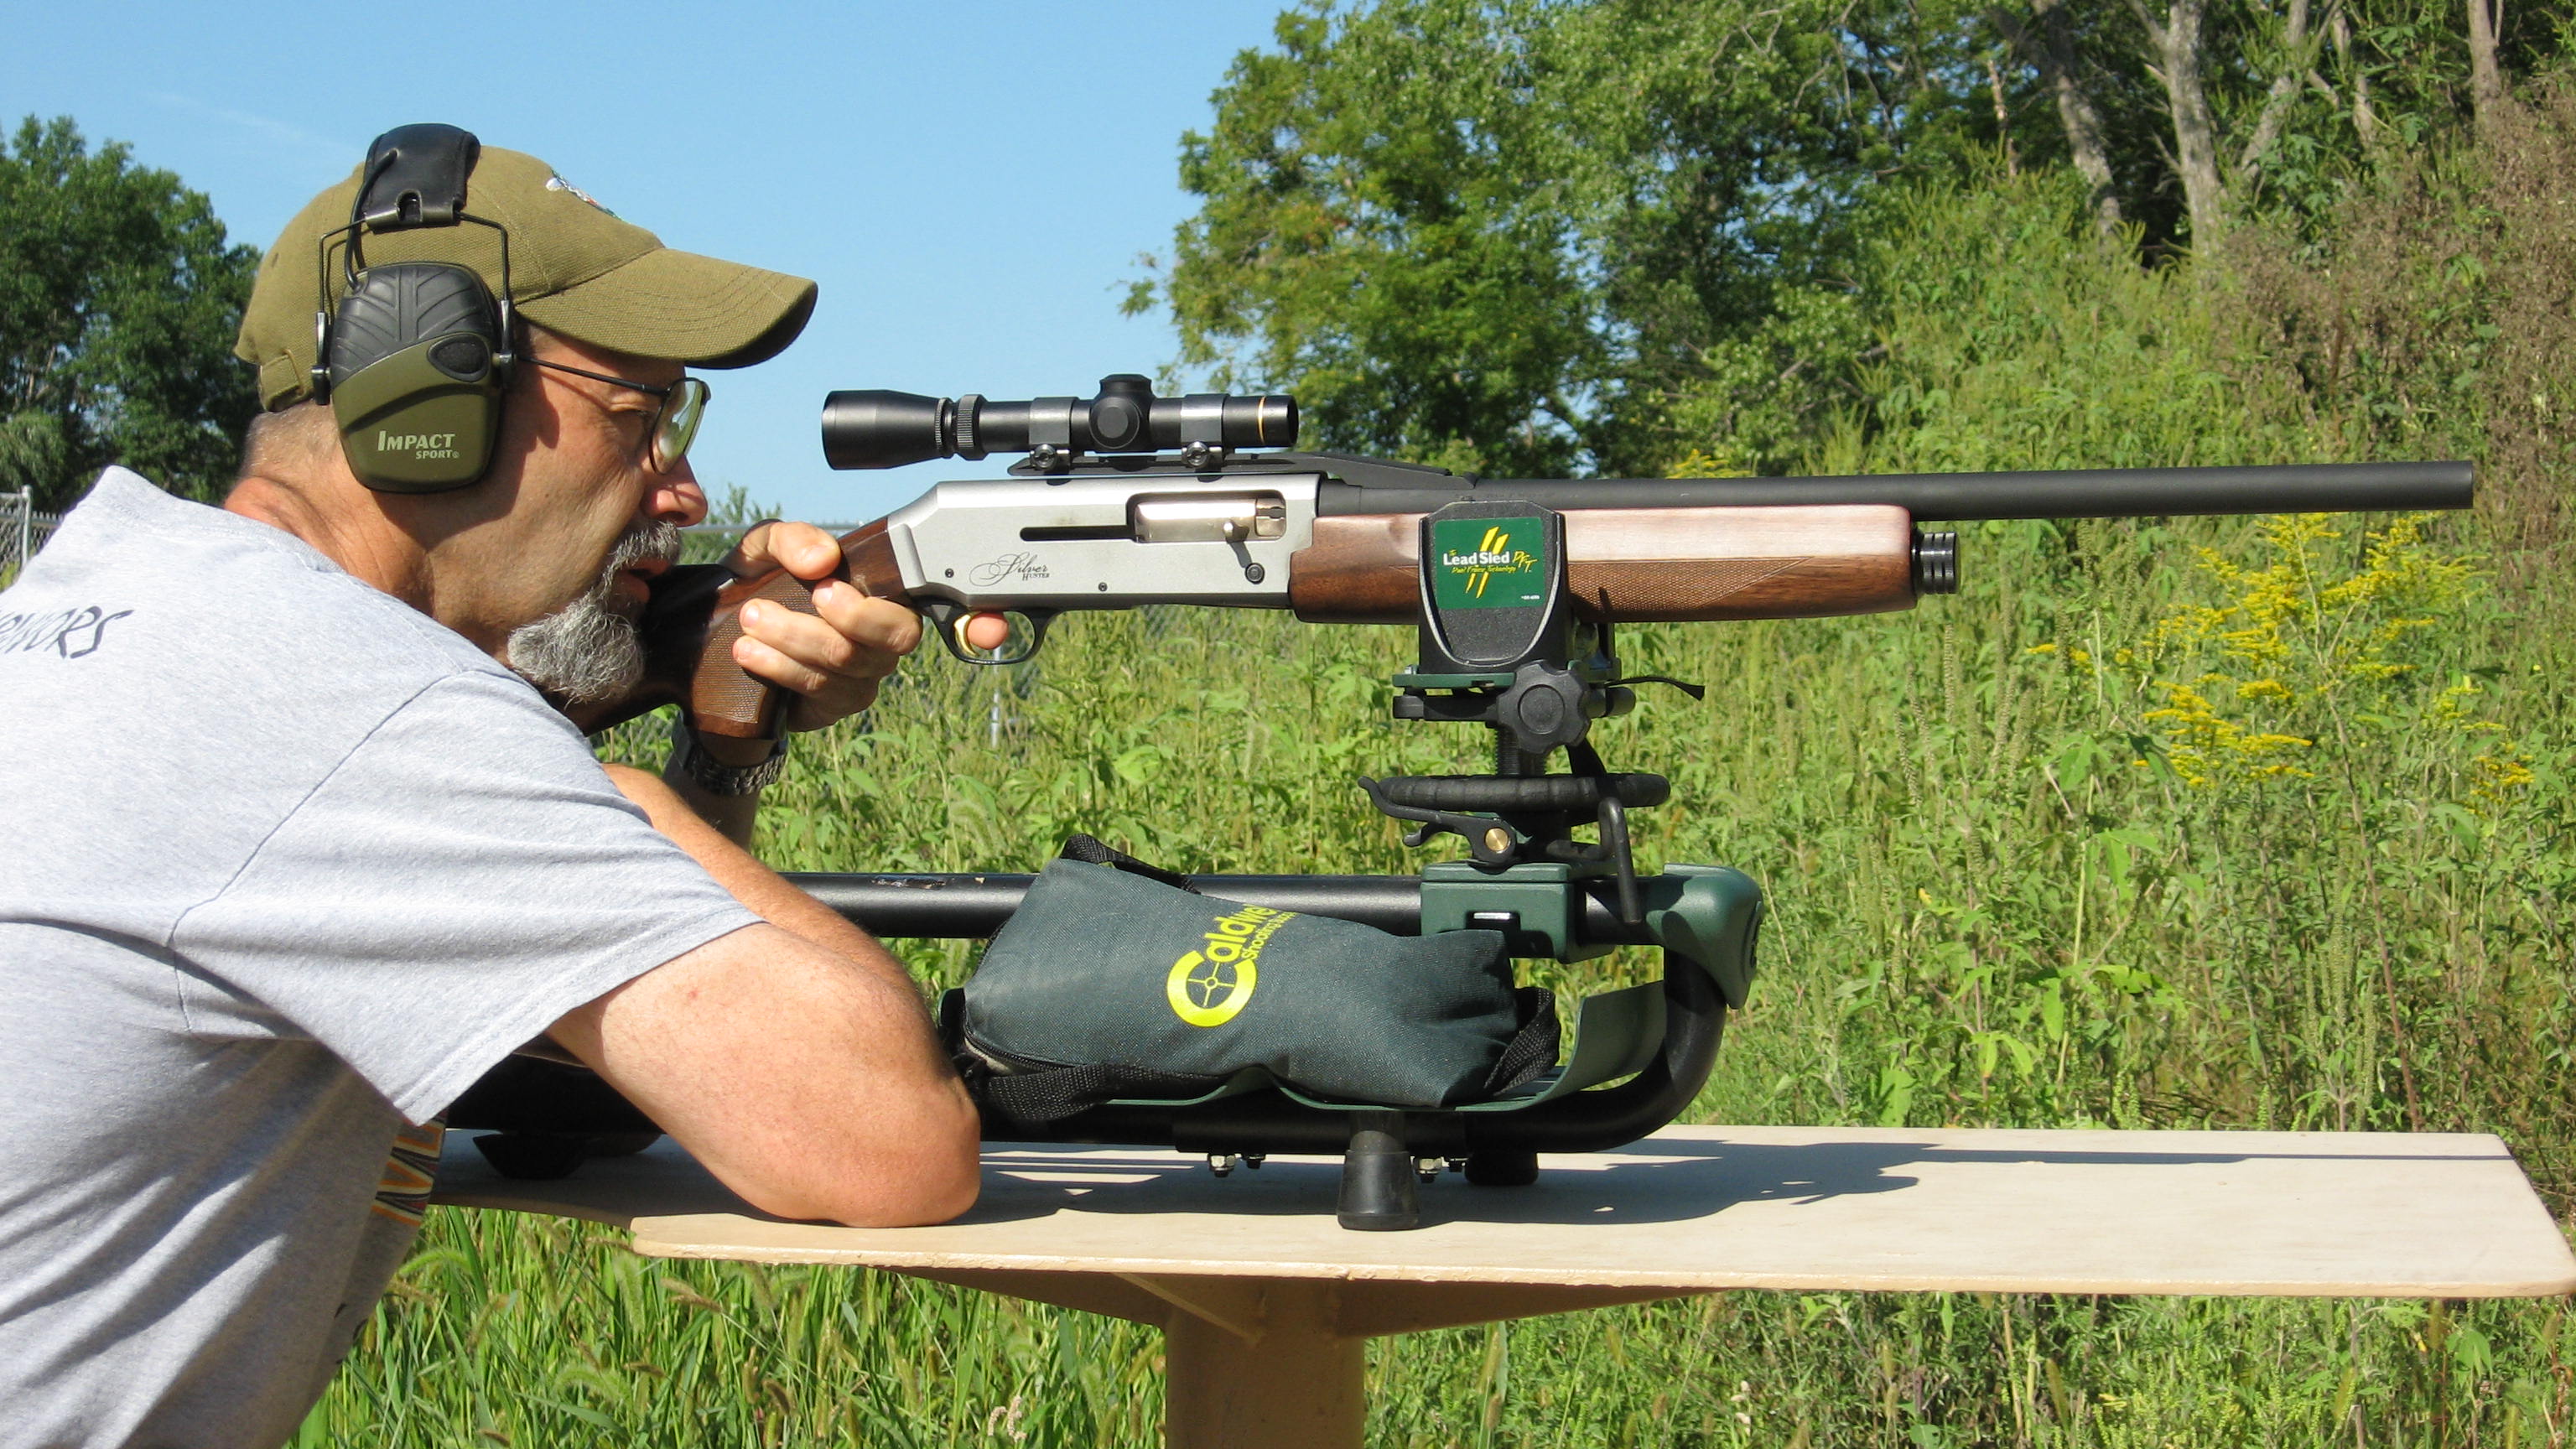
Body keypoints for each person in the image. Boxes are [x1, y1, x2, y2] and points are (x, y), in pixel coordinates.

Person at [0, 131, 981, 1446]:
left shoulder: (92, 609)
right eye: (641, 419)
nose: (681, 490)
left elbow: (615, 1074)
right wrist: (629, 803)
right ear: (427, 394)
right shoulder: (346, 699)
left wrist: (723, 745)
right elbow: (887, 1146)